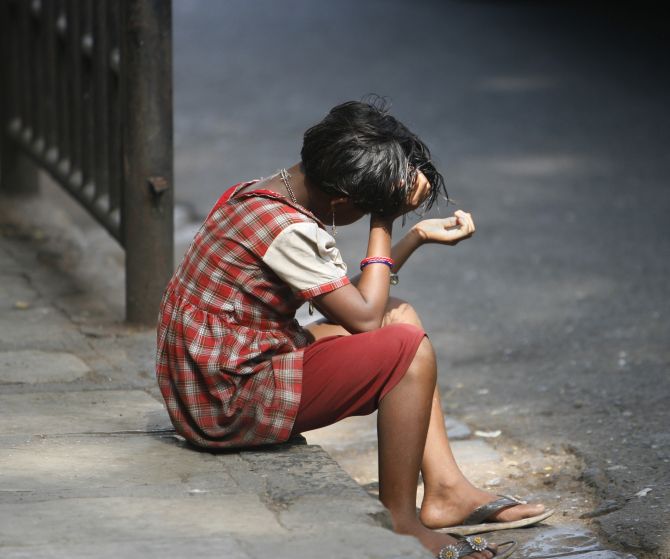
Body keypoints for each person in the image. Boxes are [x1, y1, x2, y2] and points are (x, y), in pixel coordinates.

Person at [156, 99, 551, 558]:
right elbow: (362, 318)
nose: (367, 219)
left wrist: (416, 235)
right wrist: (384, 218)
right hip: (226, 403)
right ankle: (401, 524)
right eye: (365, 210)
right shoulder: (290, 231)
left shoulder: (262, 194)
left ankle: (446, 490)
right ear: (342, 201)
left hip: (222, 374)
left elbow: (362, 306)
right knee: (409, 352)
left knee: (399, 317)